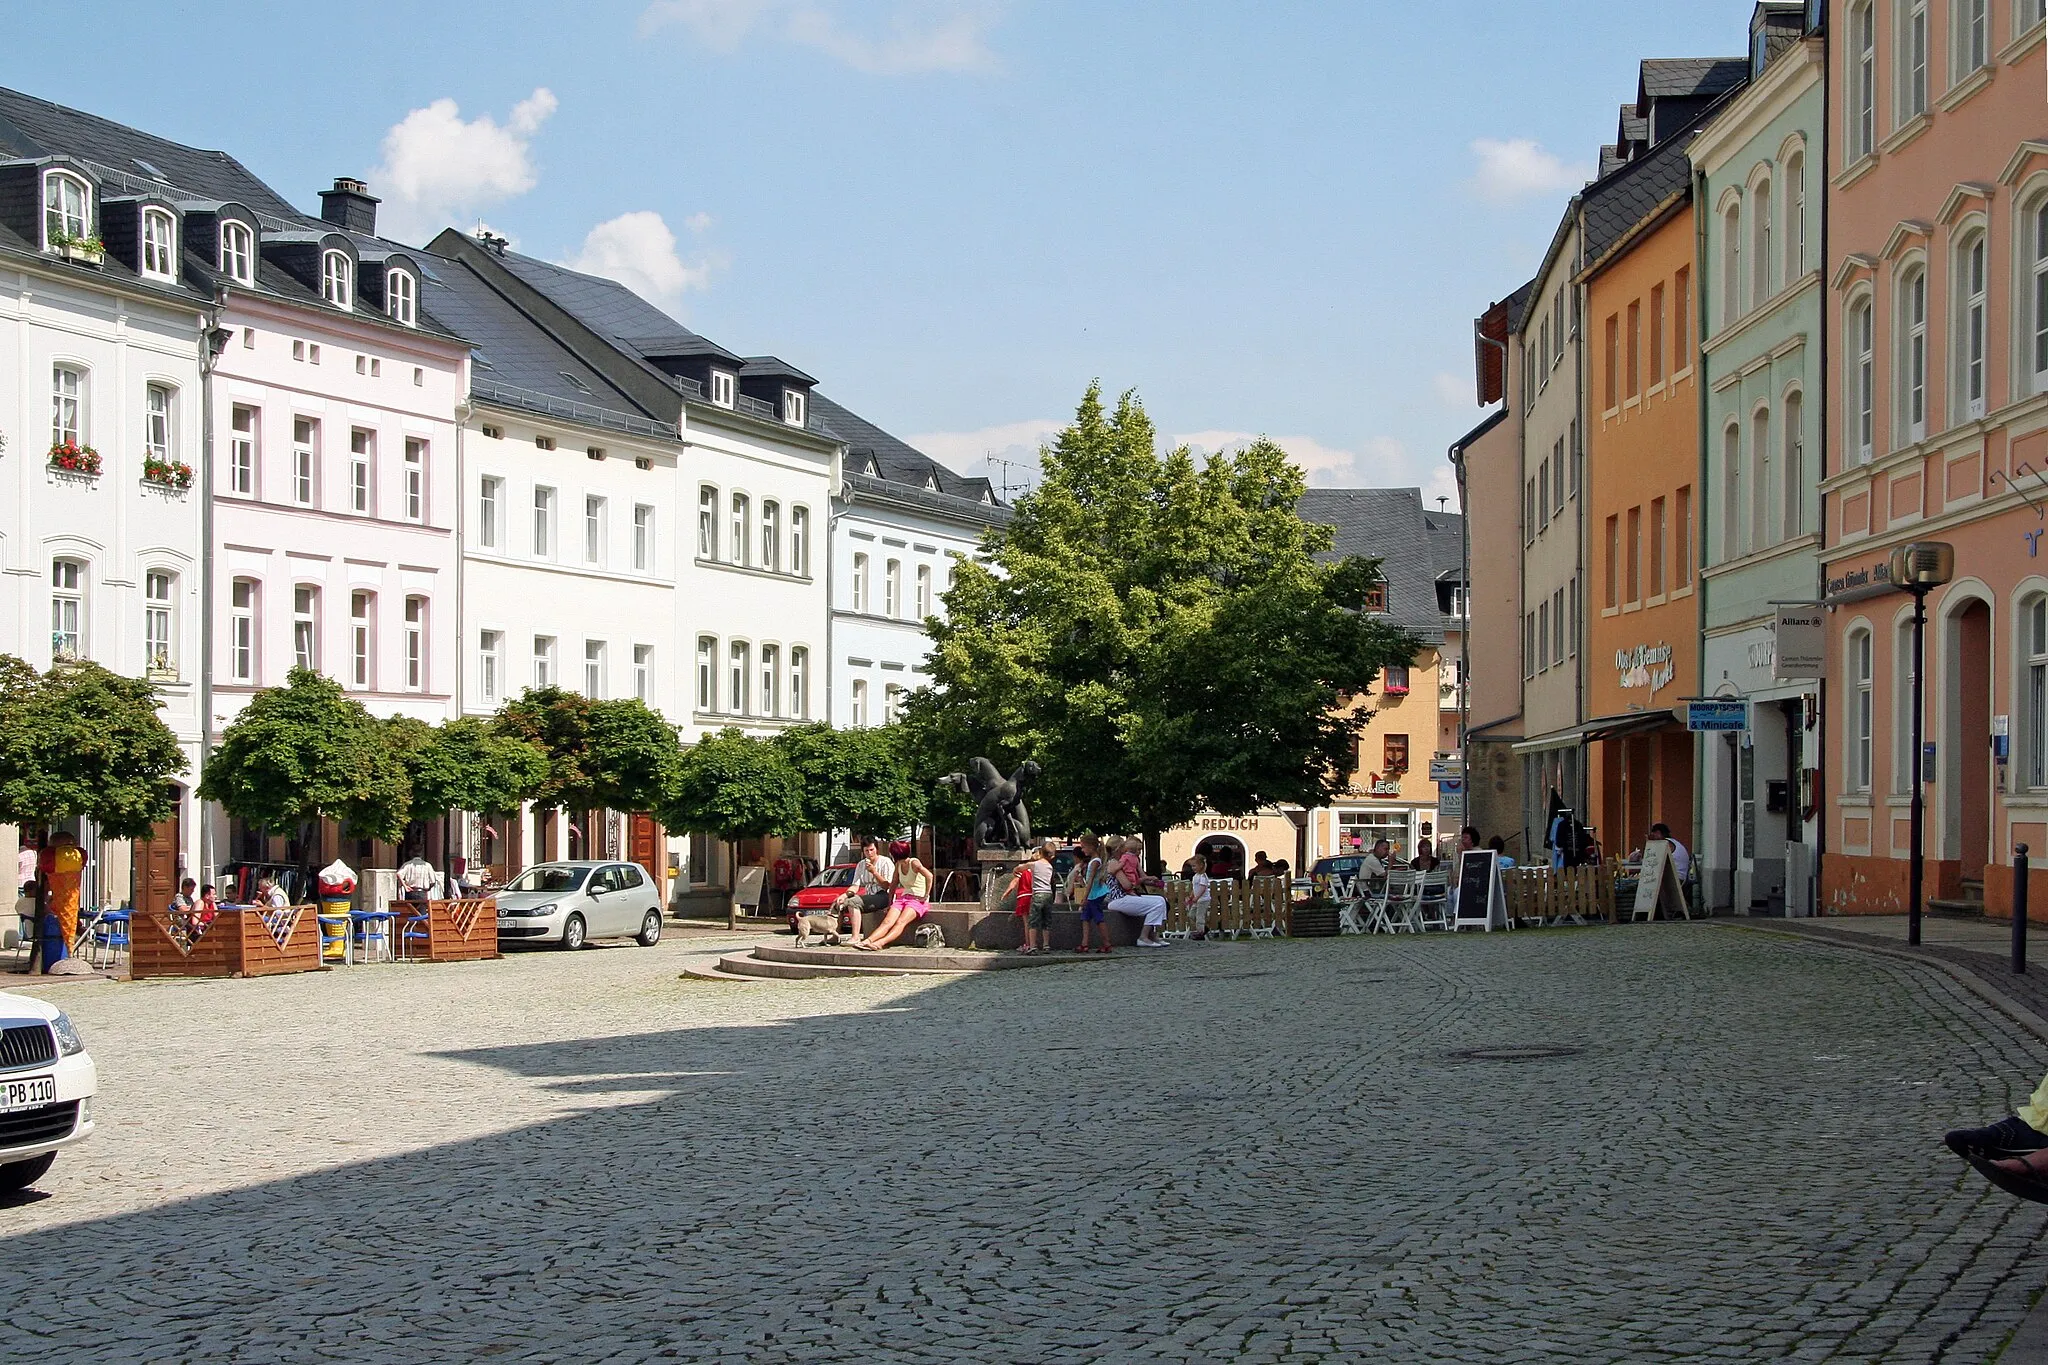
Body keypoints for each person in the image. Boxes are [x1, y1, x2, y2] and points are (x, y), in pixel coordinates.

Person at [859, 841, 933, 951]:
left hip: (917, 899)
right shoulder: (898, 864)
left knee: (900, 922)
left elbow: (929, 876)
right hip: (904, 897)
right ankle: (868, 941)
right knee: (887, 921)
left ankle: (880, 943)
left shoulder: (914, 863)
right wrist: (890, 903)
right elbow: (893, 883)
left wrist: (926, 895)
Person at [1107, 836, 1170, 946]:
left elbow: (1134, 881)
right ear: (1118, 849)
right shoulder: (1114, 863)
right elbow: (1126, 885)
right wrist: (1139, 881)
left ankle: (1152, 935)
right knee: (1156, 904)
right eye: (1124, 847)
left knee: (1160, 900)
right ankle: (1144, 937)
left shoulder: (1120, 861)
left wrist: (1146, 881)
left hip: (1124, 896)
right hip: (1118, 898)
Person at [1001, 841, 1059, 954]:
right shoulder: (1050, 867)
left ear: (1041, 853)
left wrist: (1015, 870)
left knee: (1033, 922)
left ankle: (1032, 946)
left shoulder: (1034, 864)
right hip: (1048, 895)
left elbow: (1020, 867)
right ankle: (1046, 945)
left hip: (1037, 894)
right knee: (1046, 921)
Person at [845, 837, 895, 947]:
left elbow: (887, 886)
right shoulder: (861, 864)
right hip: (869, 894)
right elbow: (855, 885)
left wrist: (874, 872)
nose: (869, 853)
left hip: (883, 895)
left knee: (853, 902)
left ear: (876, 849)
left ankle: (855, 936)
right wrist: (845, 895)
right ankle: (834, 935)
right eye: (866, 851)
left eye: (872, 850)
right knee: (841, 902)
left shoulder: (885, 862)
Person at [1074, 836, 1114, 953]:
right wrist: (1081, 880)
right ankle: (1084, 943)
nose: (1082, 850)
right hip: (1093, 893)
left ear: (1091, 847)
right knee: (1085, 918)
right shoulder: (1094, 860)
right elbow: (1089, 881)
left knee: (1098, 918)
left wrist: (1084, 898)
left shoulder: (1095, 861)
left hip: (1095, 895)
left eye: (1084, 847)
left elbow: (1091, 881)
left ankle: (1107, 944)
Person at [1183, 856, 1213, 940]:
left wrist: (1197, 897)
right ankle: (1204, 928)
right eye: (1192, 866)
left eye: (1194, 866)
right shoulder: (1195, 876)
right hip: (1197, 899)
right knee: (1191, 915)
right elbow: (1195, 888)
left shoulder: (1203, 877)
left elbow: (1203, 889)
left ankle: (1200, 932)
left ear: (1201, 866)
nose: (1193, 868)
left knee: (1200, 916)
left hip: (1203, 900)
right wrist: (1191, 896)